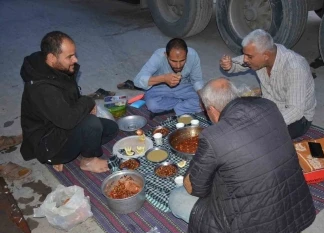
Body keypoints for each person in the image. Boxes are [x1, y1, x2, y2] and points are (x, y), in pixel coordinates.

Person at [169, 78, 316, 233]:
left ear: (210, 109)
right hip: (296, 212)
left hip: (254, 230)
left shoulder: (214, 136)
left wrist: (196, 164)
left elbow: (195, 188)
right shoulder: (269, 106)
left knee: (177, 197)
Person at [20, 31, 119, 173]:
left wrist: (83, 105)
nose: (75, 60)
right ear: (51, 58)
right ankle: (87, 161)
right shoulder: (42, 88)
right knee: (91, 124)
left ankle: (74, 152)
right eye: (70, 57)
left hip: (61, 124)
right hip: (48, 143)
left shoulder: (55, 68)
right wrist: (88, 101)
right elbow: (68, 120)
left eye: (74, 55)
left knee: (111, 129)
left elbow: (70, 104)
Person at [220, 29, 316, 139]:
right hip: (269, 106)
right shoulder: (264, 54)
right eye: (245, 55)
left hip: (297, 119)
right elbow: (237, 64)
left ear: (266, 55)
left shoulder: (295, 68)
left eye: (249, 57)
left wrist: (265, 123)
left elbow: (295, 111)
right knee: (235, 109)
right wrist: (230, 65)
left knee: (256, 137)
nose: (245, 59)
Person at [133, 38, 204, 116]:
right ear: (166, 55)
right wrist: (163, 78)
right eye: (173, 61)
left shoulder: (193, 55)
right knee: (153, 106)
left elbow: (197, 80)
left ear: (187, 55)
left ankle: (180, 107)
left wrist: (202, 97)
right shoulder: (158, 56)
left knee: (206, 100)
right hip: (159, 88)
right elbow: (137, 81)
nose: (178, 66)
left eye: (182, 60)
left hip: (184, 87)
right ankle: (183, 103)